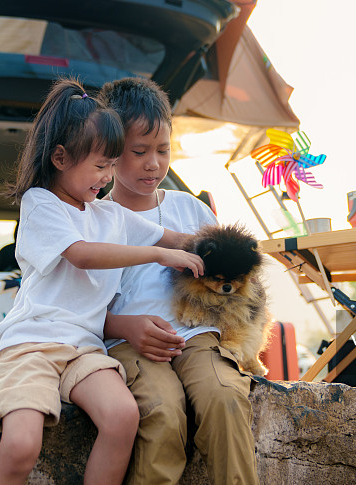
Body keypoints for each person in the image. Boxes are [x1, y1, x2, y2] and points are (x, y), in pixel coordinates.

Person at [0, 78, 204, 485]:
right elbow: (82, 254)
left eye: (113, 165)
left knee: (123, 417)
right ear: (61, 158)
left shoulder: (109, 214)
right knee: (22, 444)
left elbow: (177, 238)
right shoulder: (41, 203)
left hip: (84, 348)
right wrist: (157, 254)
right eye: (101, 166)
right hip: (32, 344)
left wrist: (226, 247)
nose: (108, 177)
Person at [100, 77, 259, 485]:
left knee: (225, 398)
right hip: (130, 345)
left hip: (199, 337)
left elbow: (238, 286)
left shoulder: (191, 210)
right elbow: (80, 306)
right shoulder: (95, 220)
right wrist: (124, 327)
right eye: (139, 151)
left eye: (163, 150)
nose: (153, 163)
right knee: (163, 412)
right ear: (110, 149)